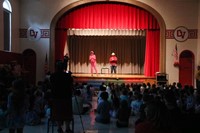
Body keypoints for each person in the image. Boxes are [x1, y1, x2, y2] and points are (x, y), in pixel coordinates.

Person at [50, 60, 74, 133]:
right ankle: (67, 128)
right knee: (67, 113)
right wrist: (69, 76)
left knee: (58, 112)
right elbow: (71, 85)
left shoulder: (53, 76)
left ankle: (59, 128)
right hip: (66, 97)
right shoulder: (67, 76)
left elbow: (52, 85)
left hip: (56, 97)